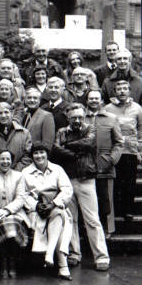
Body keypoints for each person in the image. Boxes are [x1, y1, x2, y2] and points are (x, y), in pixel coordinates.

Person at [54, 103, 110, 271]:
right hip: (68, 180)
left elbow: (89, 143)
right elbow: (56, 149)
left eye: (80, 117)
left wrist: (68, 146)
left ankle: (101, 256)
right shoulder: (61, 132)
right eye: (73, 117)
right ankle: (74, 253)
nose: (77, 120)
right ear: (68, 117)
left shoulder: (90, 129)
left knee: (92, 219)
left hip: (86, 179)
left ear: (84, 116)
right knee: (71, 219)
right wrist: (74, 151)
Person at [22, 143, 74, 281]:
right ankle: (63, 267)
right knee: (58, 219)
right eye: (36, 153)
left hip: (55, 206)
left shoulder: (57, 169)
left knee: (58, 214)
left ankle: (49, 253)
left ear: (47, 154)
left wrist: (53, 204)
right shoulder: (25, 172)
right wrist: (36, 205)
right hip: (35, 211)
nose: (39, 156)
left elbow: (67, 189)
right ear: (32, 156)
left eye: (42, 152)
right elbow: (23, 194)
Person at [0, 151, 30, 278]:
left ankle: (12, 262)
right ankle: (4, 263)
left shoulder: (18, 176)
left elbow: (20, 198)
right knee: (5, 224)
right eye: (2, 159)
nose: (5, 162)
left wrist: (8, 210)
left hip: (14, 212)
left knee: (11, 224)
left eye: (8, 159)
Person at [85, 89, 123, 237]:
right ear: (87, 101)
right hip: (86, 166)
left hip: (105, 165)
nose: (94, 101)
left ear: (101, 101)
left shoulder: (111, 118)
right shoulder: (81, 117)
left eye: (96, 98)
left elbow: (119, 142)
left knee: (106, 199)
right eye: (91, 98)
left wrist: (112, 159)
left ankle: (108, 229)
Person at [104, 80, 142, 221]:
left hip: (130, 150)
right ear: (114, 91)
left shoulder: (137, 108)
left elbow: (140, 130)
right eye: (118, 89)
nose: (121, 91)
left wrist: (139, 151)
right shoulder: (107, 108)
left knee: (130, 182)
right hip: (114, 150)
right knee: (116, 181)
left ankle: (128, 210)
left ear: (129, 91)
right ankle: (117, 210)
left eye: (124, 88)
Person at [0, 102, 32, 171]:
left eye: (6, 112)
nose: (3, 116)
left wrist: (15, 171)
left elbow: (27, 156)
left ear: (12, 113)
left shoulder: (24, 133)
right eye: (0, 113)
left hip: (19, 174)